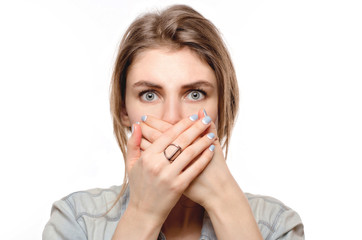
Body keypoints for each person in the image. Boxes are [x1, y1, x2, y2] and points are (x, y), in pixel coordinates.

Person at [43, 4, 304, 240]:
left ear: (222, 109)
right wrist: (143, 213)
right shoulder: (77, 221)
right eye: (149, 95)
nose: (171, 117)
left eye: (194, 94)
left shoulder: (277, 225)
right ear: (124, 110)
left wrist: (225, 200)